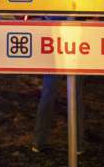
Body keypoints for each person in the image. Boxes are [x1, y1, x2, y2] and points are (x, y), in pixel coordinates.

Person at [31, 16, 85, 153]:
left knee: (49, 94)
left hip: (60, 42)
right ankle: (77, 145)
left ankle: (39, 142)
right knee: (73, 96)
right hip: (73, 40)